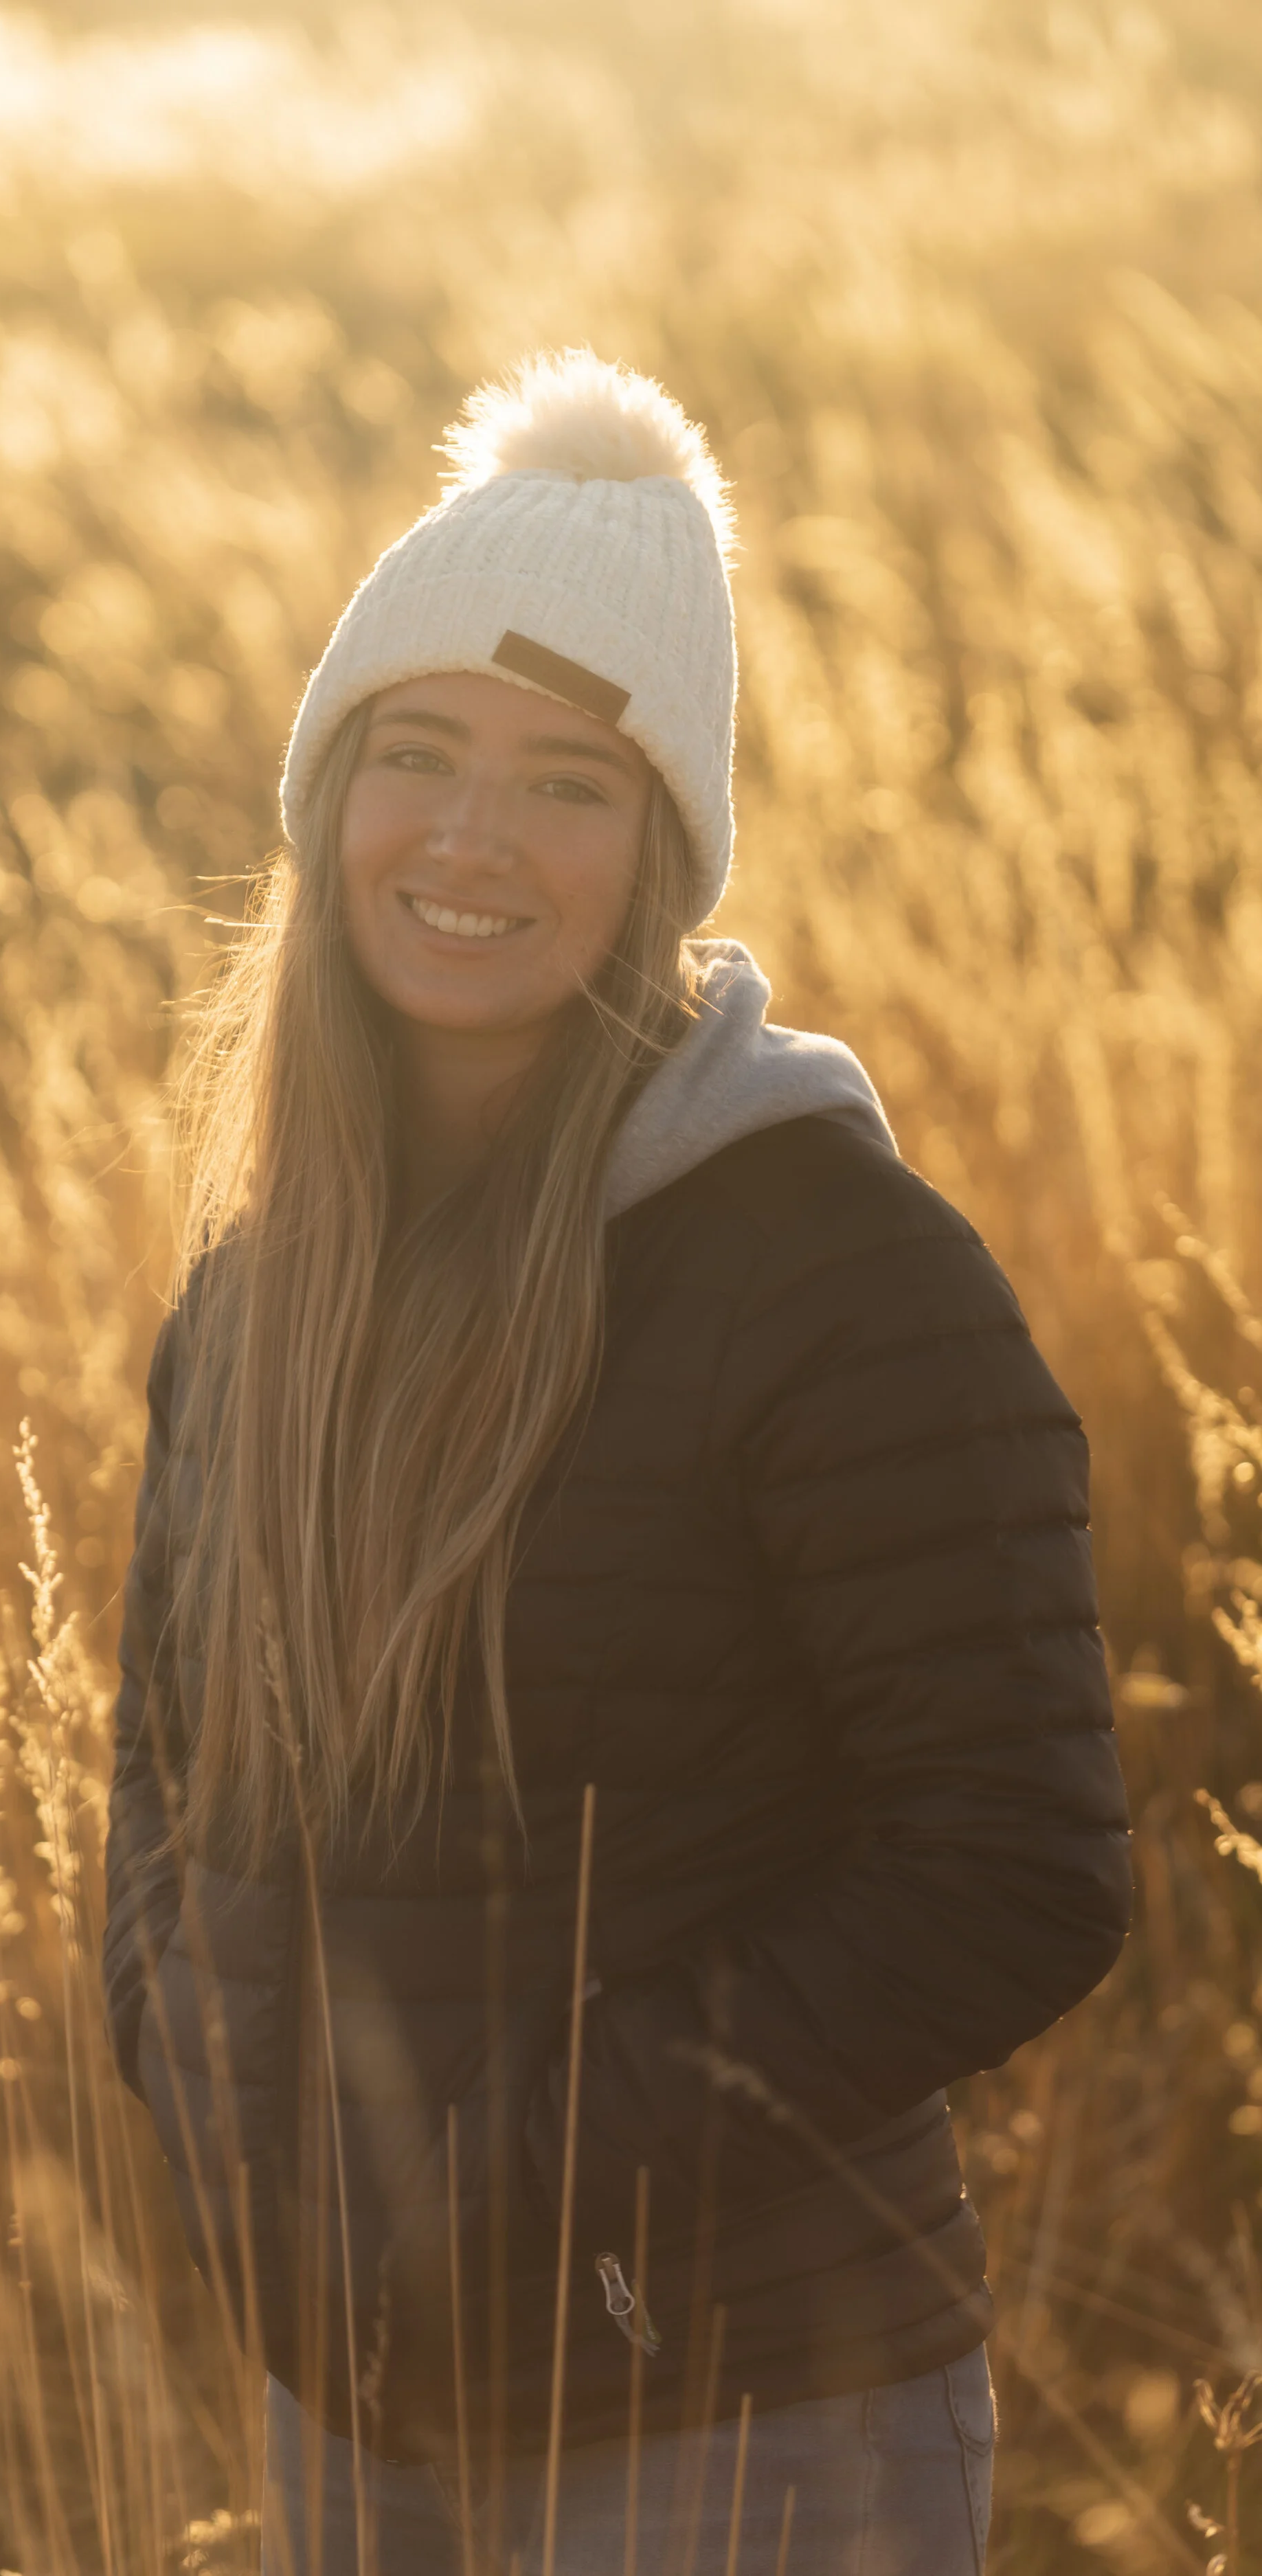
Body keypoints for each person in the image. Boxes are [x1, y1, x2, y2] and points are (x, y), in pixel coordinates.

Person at [102, 350, 1131, 2575]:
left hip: (740, 2416)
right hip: (352, 2409)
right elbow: (161, 1792)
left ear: (656, 851)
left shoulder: (835, 1267)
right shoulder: (260, 1294)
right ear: (327, 797)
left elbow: (1015, 1859)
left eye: (564, 781)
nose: (469, 838)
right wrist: (220, 2124)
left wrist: (536, 2182)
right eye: (416, 753)